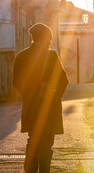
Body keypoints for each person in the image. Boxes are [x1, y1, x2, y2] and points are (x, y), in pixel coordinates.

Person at [13, 23, 69, 173]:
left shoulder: (21, 56)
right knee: (46, 144)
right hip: (49, 109)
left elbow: (16, 82)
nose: (50, 42)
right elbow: (64, 81)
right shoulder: (51, 56)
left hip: (30, 108)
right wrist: (53, 96)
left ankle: (30, 169)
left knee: (33, 140)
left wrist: (31, 93)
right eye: (49, 39)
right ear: (46, 39)